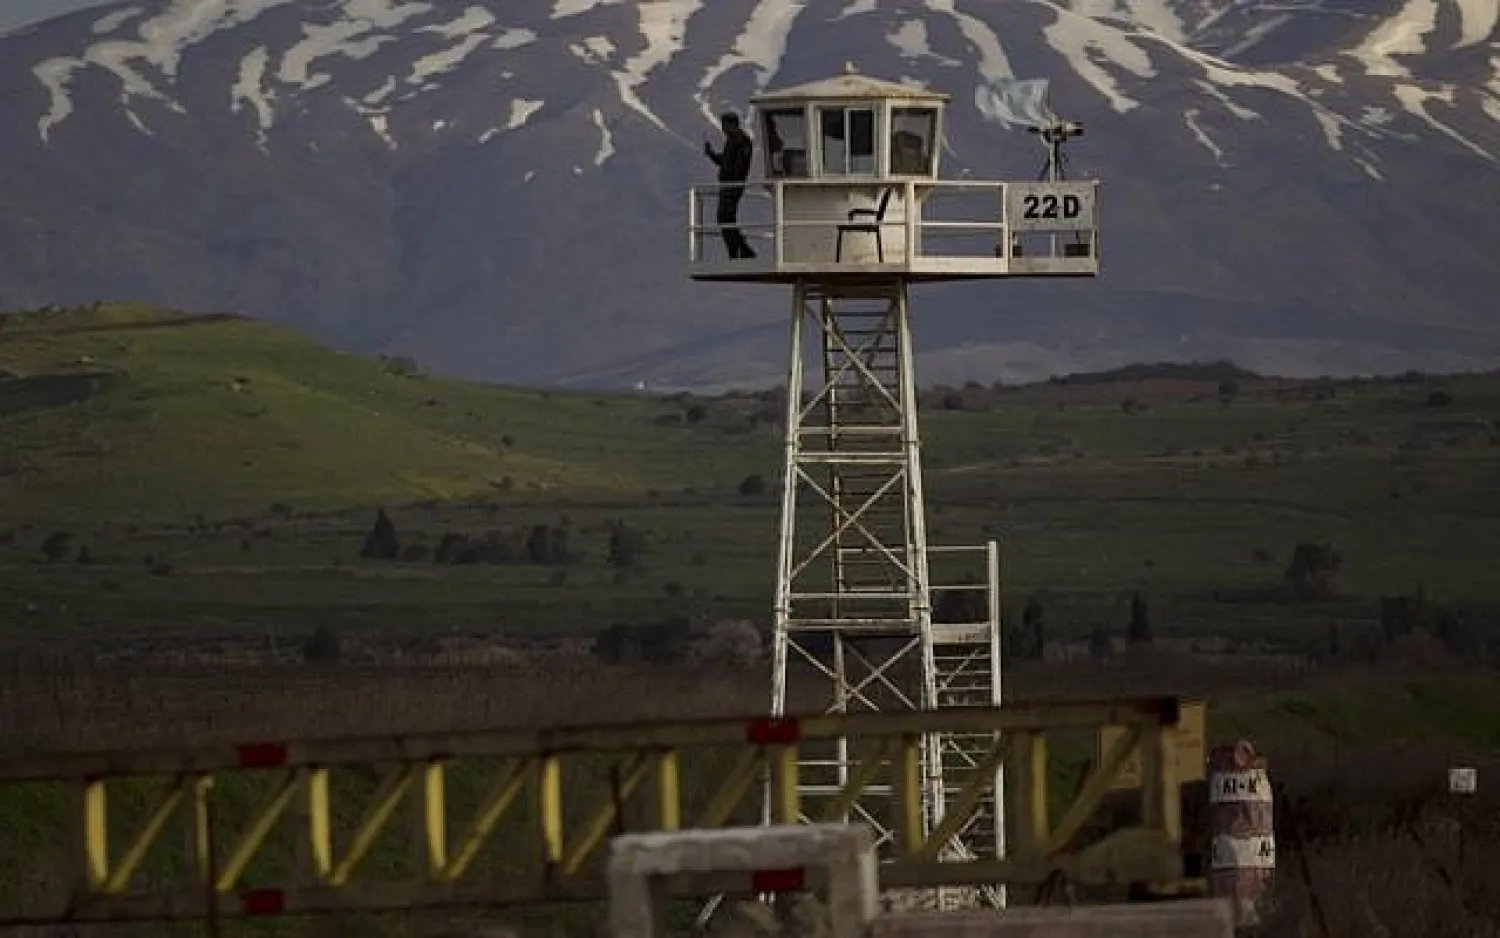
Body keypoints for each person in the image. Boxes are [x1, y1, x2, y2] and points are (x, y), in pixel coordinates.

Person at [703, 112, 756, 259]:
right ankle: (742, 250)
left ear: (732, 125)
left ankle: (738, 251)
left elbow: (738, 167)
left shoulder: (742, 141)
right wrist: (712, 154)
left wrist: (729, 177)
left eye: (724, 125)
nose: (723, 128)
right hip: (728, 185)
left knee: (725, 218)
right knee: (726, 220)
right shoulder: (733, 141)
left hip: (733, 186)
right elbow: (726, 161)